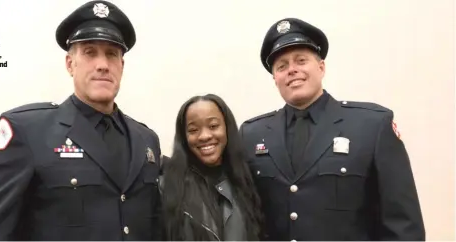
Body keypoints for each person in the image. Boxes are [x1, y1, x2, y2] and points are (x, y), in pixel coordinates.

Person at [0, 1, 163, 240]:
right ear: (70, 64)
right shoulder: (29, 131)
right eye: (90, 52)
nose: (102, 65)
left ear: (121, 66)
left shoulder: (146, 140)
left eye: (112, 54)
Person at [239, 18, 425, 241]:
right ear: (275, 78)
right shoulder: (252, 135)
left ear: (321, 67)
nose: (292, 70)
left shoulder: (371, 126)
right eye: (282, 66)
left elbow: (403, 225)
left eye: (301, 61)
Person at [160, 94, 264, 241]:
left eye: (213, 126)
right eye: (193, 130)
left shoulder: (246, 180)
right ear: (184, 137)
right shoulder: (167, 186)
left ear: (227, 128)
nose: (204, 136)